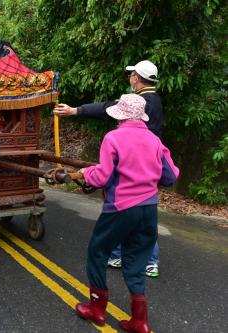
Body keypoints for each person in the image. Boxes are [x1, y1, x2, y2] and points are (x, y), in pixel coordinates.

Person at [74, 94, 179, 333]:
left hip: (121, 208)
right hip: (148, 209)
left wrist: (86, 173)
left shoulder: (113, 138)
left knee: (98, 252)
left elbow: (101, 177)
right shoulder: (154, 140)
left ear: (120, 116)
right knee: (137, 259)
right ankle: (139, 321)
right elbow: (170, 176)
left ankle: (97, 309)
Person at [55, 60, 163, 277]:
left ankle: (133, 259)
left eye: (131, 74)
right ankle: (132, 258)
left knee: (119, 214)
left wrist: (77, 111)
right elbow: (170, 171)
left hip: (129, 171)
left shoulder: (127, 122)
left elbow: (106, 110)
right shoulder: (153, 101)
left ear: (136, 77)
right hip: (146, 172)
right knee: (141, 220)